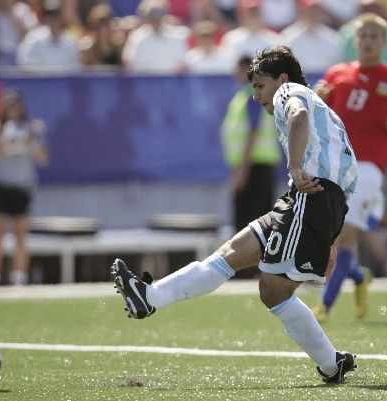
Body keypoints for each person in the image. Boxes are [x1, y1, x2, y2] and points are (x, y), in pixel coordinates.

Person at [112, 45, 359, 384]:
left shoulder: (291, 92)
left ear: (282, 79)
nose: (256, 95)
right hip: (306, 199)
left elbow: (299, 117)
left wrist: (296, 166)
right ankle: (149, 297)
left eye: (260, 85)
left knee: (272, 290)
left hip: (309, 198)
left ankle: (331, 363)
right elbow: (342, 184)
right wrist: (329, 234)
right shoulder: (322, 111)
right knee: (230, 254)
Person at [311, 12, 387, 322]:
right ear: (355, 40)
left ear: (385, 42)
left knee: (343, 237)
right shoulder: (336, 74)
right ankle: (359, 278)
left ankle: (324, 305)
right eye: (364, 35)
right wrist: (316, 99)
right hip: (335, 164)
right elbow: (318, 115)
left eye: (375, 36)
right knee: (333, 235)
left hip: (370, 169)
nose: (369, 41)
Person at [0, 89, 49, 286]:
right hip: (0, 186)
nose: (13, 110)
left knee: (21, 235)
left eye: (16, 106)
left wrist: (30, 143)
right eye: (9, 106)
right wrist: (1, 147)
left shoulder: (31, 129)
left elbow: (43, 160)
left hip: (21, 186)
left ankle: (20, 277)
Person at [221, 54, 281, 233]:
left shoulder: (252, 95)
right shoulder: (248, 95)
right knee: (259, 225)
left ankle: (253, 262)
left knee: (249, 226)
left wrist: (242, 170)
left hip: (254, 167)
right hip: (255, 165)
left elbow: (252, 133)